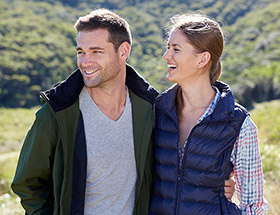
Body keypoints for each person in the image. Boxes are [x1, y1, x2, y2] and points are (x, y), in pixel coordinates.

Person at [12, 9, 235, 215]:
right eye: (81, 52)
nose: (85, 62)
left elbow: (173, 169)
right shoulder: (58, 111)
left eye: (96, 52)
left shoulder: (152, 109)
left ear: (123, 51)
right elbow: (28, 183)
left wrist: (213, 186)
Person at [150, 12, 269, 215]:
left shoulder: (237, 123)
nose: (166, 56)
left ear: (202, 59)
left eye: (176, 49)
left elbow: (254, 206)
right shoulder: (156, 111)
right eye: (168, 47)